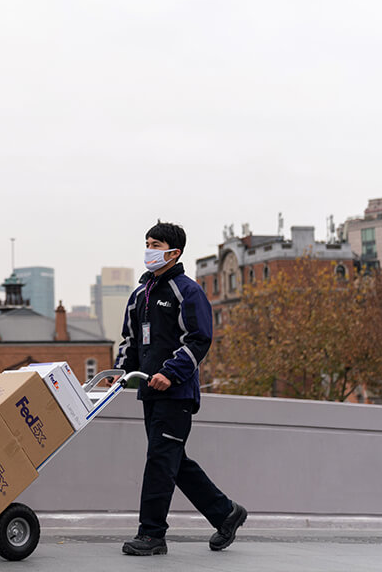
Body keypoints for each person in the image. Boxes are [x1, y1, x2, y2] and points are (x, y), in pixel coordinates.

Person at [116, 221, 246, 556]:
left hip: (177, 393)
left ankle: (152, 535)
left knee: (160, 461)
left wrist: (170, 374)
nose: (149, 250)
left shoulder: (187, 292)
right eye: (147, 243)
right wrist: (121, 373)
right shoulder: (138, 297)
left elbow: (198, 339)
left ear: (174, 253)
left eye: (156, 244)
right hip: (150, 392)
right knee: (173, 461)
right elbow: (130, 342)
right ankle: (226, 513)